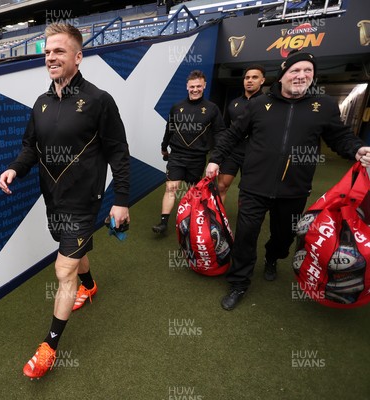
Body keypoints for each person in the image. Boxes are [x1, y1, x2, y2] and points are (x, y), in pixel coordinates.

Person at [0, 23, 130, 379]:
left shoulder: (100, 100)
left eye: (58, 51)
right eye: (46, 52)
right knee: (76, 254)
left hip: (85, 201)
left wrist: (121, 199)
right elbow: (30, 147)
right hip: (53, 199)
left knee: (63, 268)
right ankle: (90, 287)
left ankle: (49, 346)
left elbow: (118, 152)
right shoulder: (41, 104)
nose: (50, 57)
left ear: (77, 56)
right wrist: (15, 169)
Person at [205, 50, 370, 311]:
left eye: (308, 71)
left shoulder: (324, 105)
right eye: (295, 70)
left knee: (283, 237)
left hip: (294, 189)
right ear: (282, 76)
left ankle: (273, 257)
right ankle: (238, 282)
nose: (301, 75)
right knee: (246, 235)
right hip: (254, 186)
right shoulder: (258, 105)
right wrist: (215, 159)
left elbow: (340, 138)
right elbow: (232, 134)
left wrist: (357, 149)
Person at [152, 70, 225, 234]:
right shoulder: (177, 107)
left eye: (199, 86)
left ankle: (191, 221)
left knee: (192, 191)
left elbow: (219, 132)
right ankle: (163, 223)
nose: (195, 89)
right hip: (176, 155)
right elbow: (169, 129)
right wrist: (164, 147)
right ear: (187, 86)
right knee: (171, 188)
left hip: (197, 158)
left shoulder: (212, 109)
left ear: (204, 86)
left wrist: (217, 157)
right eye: (192, 86)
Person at [218, 64, 266, 203]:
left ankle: (243, 224)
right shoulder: (234, 103)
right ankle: (218, 221)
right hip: (232, 152)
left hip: (254, 153)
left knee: (248, 192)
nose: (249, 80)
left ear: (262, 81)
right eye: (247, 77)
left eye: (254, 77)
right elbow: (224, 127)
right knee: (221, 186)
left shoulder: (268, 103)